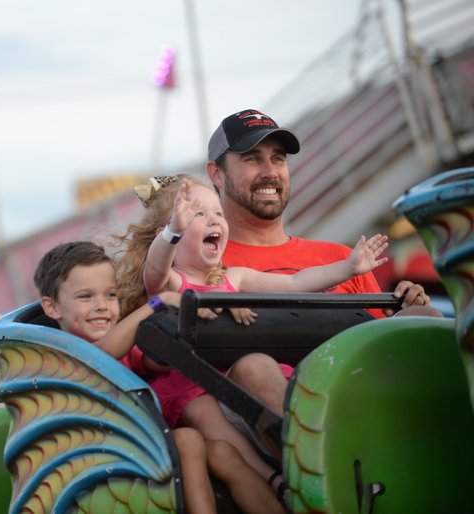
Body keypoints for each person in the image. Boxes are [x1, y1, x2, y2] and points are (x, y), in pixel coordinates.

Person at [115, 174, 387, 501]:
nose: (214, 219)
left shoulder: (234, 278)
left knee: (288, 383)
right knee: (203, 414)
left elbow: (295, 284)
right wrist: (173, 230)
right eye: (198, 214)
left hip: (234, 378)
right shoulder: (172, 281)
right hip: (194, 385)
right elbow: (155, 271)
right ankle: (275, 481)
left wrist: (347, 268)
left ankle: (331, 462)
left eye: (217, 212)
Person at [203, 108, 440, 414]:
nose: (270, 171)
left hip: (358, 396)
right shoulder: (203, 261)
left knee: (427, 319)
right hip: (259, 422)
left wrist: (409, 308)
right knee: (255, 368)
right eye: (252, 158)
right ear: (216, 173)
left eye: (278, 158)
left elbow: (381, 346)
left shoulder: (341, 258)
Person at [34, 241, 286, 514]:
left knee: (222, 452)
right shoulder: (58, 355)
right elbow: (101, 355)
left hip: (149, 445)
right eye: (86, 297)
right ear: (52, 307)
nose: (102, 306)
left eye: (110, 295)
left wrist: (215, 311)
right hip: (101, 453)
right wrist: (159, 302)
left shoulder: (125, 345)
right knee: (188, 439)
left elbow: (160, 359)